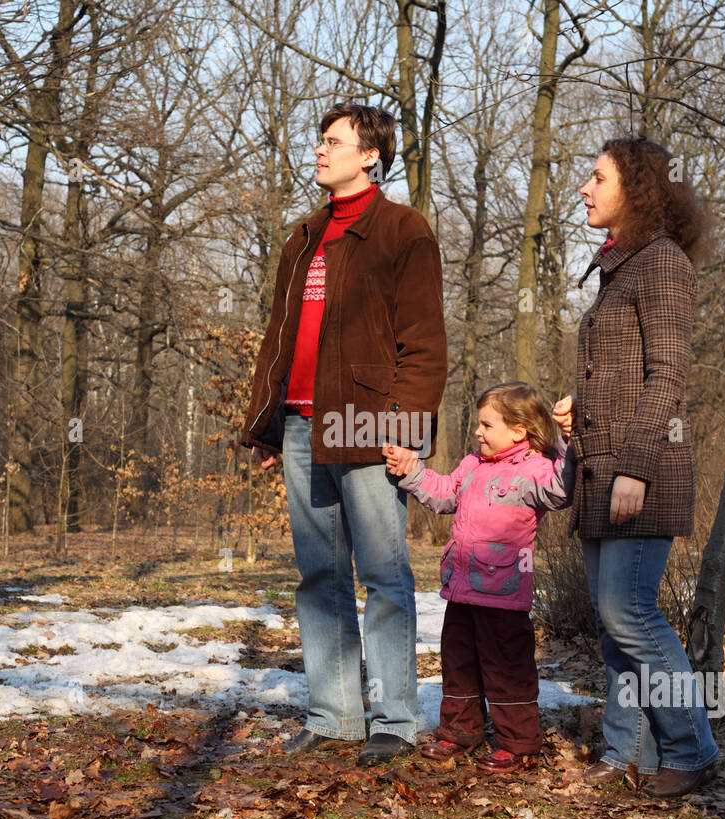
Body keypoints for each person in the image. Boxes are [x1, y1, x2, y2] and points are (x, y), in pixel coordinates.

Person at [240, 102, 447, 767]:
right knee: (319, 574)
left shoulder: (404, 230)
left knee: (384, 575)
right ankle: (333, 717)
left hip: (369, 425)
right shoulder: (301, 236)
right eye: (319, 140)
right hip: (301, 423)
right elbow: (278, 340)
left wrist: (406, 429)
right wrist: (267, 426)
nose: (320, 151)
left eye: (333, 142)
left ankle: (393, 720)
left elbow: (424, 345)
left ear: (370, 156)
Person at [552, 135, 719, 797]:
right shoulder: (621, 264)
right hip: (602, 469)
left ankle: (692, 748)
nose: (585, 189)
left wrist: (636, 468)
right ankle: (626, 754)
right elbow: (623, 372)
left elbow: (668, 376)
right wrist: (581, 407)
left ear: (635, 189)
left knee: (631, 615)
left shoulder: (662, 263)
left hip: (637, 474)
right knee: (614, 623)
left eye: (597, 178)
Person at [383, 383, 575, 774]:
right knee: (459, 663)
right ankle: (459, 732)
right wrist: (413, 469)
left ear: (519, 430)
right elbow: (443, 495)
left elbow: (560, 490)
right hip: (461, 590)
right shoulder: (472, 464)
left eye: (487, 425)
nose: (478, 432)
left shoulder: (535, 469)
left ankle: (519, 743)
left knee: (507, 668)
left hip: (504, 596)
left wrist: (570, 441)